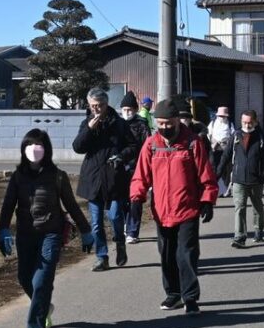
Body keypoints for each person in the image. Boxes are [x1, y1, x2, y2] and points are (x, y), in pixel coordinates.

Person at [0, 128, 94, 328]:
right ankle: (44, 307)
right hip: (25, 234)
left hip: (51, 233)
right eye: (29, 145)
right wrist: (2, 230)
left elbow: (71, 205)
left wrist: (86, 231)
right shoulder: (18, 177)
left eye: (38, 145)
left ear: (46, 150)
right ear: (23, 148)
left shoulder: (57, 176)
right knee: (25, 278)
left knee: (41, 281)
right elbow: (7, 206)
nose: (33, 149)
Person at [130, 97, 218, 316]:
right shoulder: (151, 144)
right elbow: (140, 176)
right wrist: (136, 199)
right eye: (160, 123)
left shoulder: (192, 143)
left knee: (186, 255)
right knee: (166, 254)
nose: (164, 127)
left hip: (187, 208)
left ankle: (190, 298)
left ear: (177, 121)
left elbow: (206, 176)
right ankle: (173, 294)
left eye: (168, 123)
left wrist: (208, 200)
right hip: (162, 210)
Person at [72, 88, 138, 271]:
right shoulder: (86, 123)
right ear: (89, 105)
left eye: (100, 106)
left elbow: (133, 146)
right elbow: (78, 147)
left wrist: (121, 156)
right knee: (96, 222)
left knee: (115, 215)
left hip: (114, 177)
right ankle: (101, 256)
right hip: (93, 178)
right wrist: (89, 129)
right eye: (93, 106)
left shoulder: (119, 123)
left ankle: (120, 243)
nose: (97, 110)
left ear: (107, 104)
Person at [221, 110, 264, 248]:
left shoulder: (262, 136)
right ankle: (239, 237)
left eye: (249, 122)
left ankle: (258, 230)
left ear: (256, 122)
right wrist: (217, 172)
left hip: (256, 179)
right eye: (244, 122)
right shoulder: (236, 135)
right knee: (239, 207)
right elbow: (226, 155)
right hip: (239, 179)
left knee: (257, 206)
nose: (247, 124)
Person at [119, 91, 152, 244]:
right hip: (119, 168)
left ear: (135, 110)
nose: (127, 113)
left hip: (137, 168)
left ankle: (133, 231)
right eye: (124, 110)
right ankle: (127, 225)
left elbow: (147, 146)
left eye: (130, 110)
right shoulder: (117, 124)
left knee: (136, 200)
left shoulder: (141, 124)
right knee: (123, 199)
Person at [207, 106, 235, 196]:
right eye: (220, 116)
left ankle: (226, 190)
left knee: (226, 171)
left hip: (226, 151)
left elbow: (233, 136)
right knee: (215, 169)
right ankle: (217, 189)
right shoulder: (213, 123)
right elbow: (208, 135)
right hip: (214, 150)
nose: (222, 118)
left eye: (224, 116)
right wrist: (211, 145)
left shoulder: (230, 124)